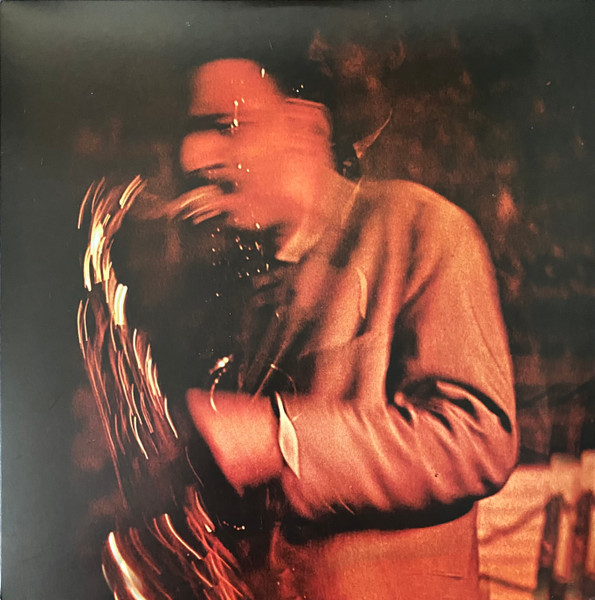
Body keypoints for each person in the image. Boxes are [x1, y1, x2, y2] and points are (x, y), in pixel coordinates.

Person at [172, 57, 518, 599]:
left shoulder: (423, 228)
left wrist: (277, 436)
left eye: (226, 127)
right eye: (191, 134)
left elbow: (479, 437)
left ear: (306, 128)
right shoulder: (242, 280)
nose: (193, 158)